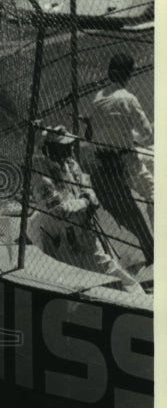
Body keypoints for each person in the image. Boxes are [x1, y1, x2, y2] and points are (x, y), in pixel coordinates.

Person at [34, 125, 144, 293]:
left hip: (86, 230)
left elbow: (88, 189)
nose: (71, 148)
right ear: (50, 149)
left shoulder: (71, 164)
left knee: (113, 271)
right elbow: (60, 211)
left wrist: (88, 199)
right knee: (70, 282)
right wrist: (86, 202)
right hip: (61, 239)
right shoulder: (41, 175)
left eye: (70, 144)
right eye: (64, 145)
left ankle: (141, 302)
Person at [85, 52, 153, 266]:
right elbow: (147, 134)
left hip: (106, 162)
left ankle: (151, 247)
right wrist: (130, 135)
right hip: (127, 161)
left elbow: (96, 132)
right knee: (156, 196)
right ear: (129, 73)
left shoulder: (97, 98)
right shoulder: (128, 98)